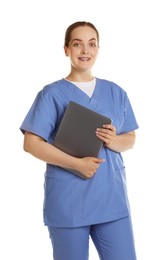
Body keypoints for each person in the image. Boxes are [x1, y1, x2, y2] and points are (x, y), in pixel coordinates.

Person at [20, 21, 139, 260]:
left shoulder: (116, 92)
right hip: (69, 202)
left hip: (112, 199)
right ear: (66, 49)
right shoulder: (51, 94)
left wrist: (113, 140)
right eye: (77, 44)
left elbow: (131, 138)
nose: (85, 50)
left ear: (98, 49)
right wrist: (76, 164)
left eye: (91, 44)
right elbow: (31, 143)